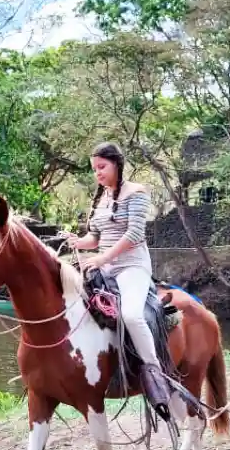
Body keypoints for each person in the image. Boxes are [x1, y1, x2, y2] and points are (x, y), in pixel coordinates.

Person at [64, 142, 169, 409]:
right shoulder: (100, 198)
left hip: (131, 266)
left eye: (102, 167)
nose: (97, 173)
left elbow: (134, 235)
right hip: (104, 268)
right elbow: (96, 237)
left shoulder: (137, 192)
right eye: (94, 169)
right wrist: (79, 242)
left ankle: (156, 372)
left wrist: (102, 257)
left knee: (130, 315)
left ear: (117, 164)